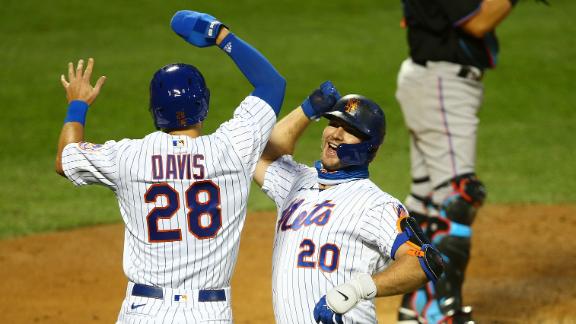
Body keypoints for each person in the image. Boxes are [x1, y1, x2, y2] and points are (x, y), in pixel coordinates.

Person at [55, 10, 285, 323]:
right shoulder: (233, 148)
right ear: (204, 104)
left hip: (144, 311)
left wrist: (77, 104)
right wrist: (220, 35)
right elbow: (271, 85)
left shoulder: (128, 157)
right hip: (209, 313)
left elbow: (66, 157)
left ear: (155, 109)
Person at [252, 81, 444, 324]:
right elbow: (260, 155)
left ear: (368, 146)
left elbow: (425, 261)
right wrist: (307, 110)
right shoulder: (296, 181)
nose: (335, 134)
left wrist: (358, 288)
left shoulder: (375, 204)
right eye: (333, 123)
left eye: (349, 130)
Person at [395, 0, 516, 322]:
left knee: (429, 199)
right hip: (441, 83)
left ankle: (416, 304)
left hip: (434, 80)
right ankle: (439, 312)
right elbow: (477, 22)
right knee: (457, 198)